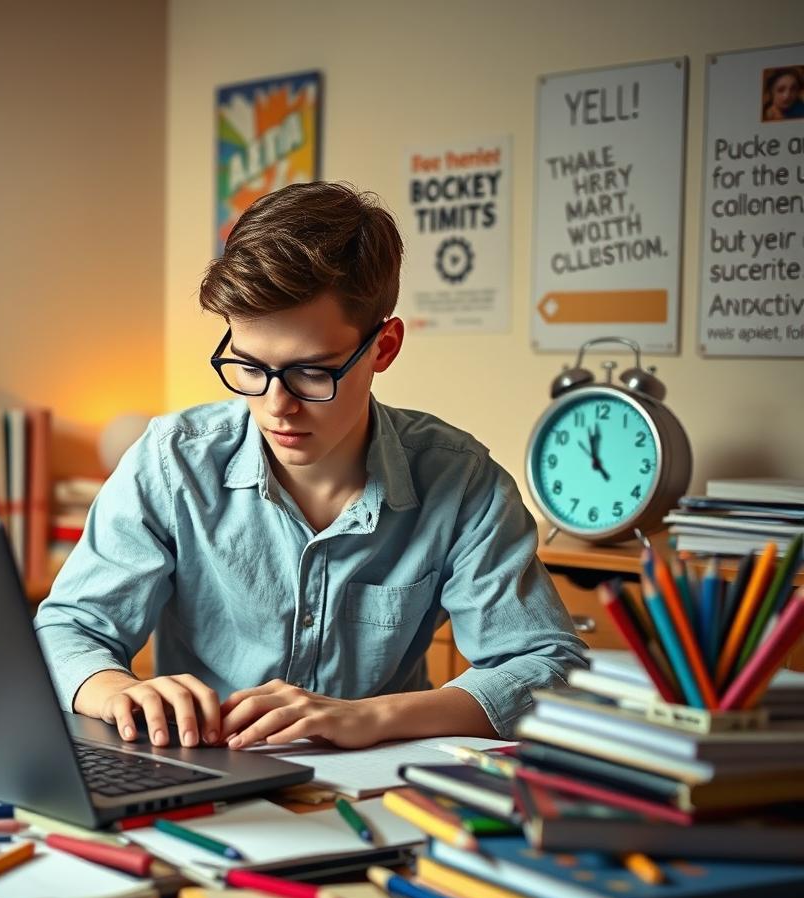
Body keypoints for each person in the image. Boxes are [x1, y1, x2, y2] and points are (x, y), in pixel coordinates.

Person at [35, 182, 587, 751]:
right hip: (204, 780)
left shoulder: (461, 481)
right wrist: (114, 689)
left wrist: (368, 718)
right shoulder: (173, 460)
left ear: (384, 348)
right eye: (249, 366)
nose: (277, 405)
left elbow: (551, 666)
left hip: (380, 788)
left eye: (312, 373)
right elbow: (68, 628)